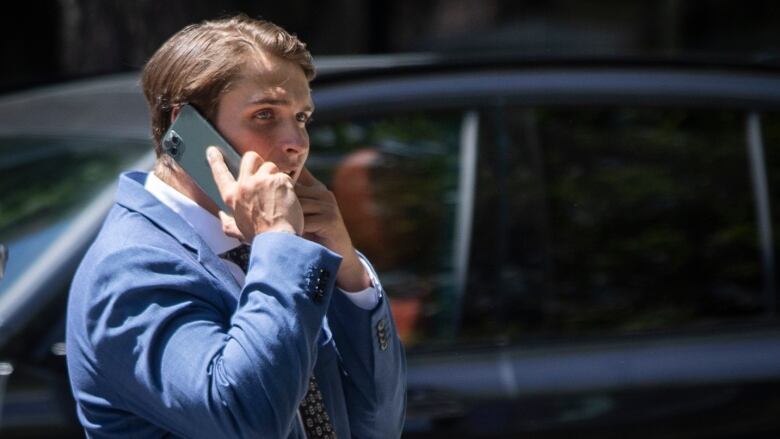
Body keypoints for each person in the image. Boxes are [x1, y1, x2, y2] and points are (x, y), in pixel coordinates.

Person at [66, 15, 406, 438]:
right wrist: (278, 245)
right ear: (184, 127)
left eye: (301, 118)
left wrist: (350, 275)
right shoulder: (132, 266)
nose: (296, 143)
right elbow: (246, 420)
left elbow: (379, 426)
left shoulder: (279, 252)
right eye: (265, 115)